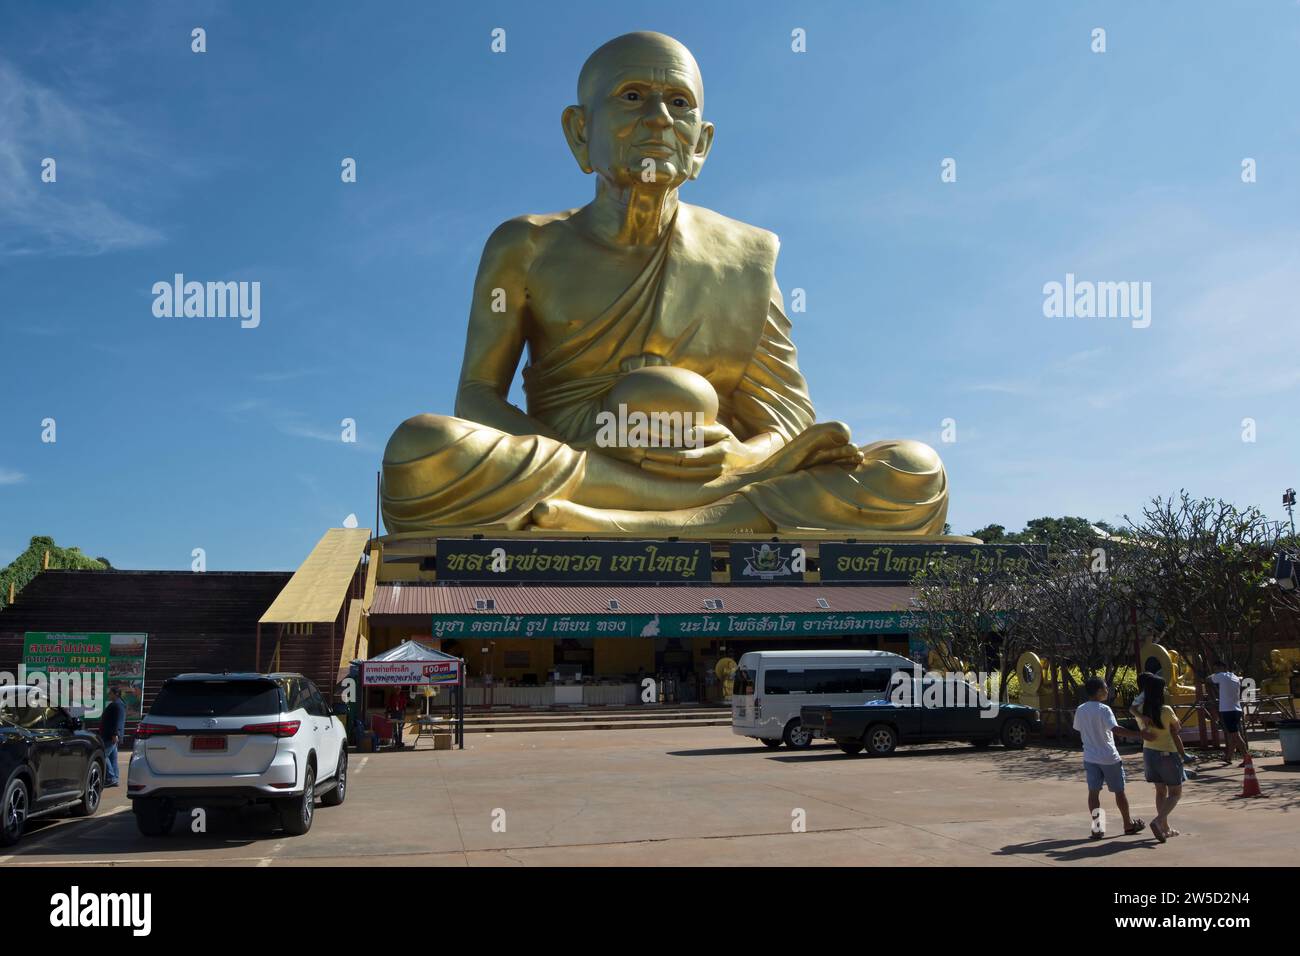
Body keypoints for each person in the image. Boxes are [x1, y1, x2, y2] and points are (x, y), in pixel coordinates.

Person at [1072, 677, 1145, 839]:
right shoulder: (1104, 709)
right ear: (1098, 691)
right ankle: (1128, 824)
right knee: (1119, 792)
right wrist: (1140, 735)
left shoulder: (1081, 709)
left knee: (1093, 793)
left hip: (1090, 757)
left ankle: (1098, 828)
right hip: (1109, 757)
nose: (1107, 691)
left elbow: (1078, 728)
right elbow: (1116, 729)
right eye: (1105, 688)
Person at [1137, 675, 1187, 843]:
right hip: (1166, 753)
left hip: (1149, 753)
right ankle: (1158, 821)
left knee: (1160, 791)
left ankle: (1165, 827)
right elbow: (1177, 728)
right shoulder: (1165, 710)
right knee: (1175, 792)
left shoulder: (1141, 710)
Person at [1208, 660, 1247, 766]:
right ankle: (1228, 757)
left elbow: (1209, 679)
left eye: (1216, 669)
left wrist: (1214, 674)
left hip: (1227, 710)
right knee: (1232, 734)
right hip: (1236, 709)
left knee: (1235, 735)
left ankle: (1247, 757)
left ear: (1222, 668)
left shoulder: (1221, 676)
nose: (1215, 671)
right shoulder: (1234, 677)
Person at [100, 685, 126, 787]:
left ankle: (111, 778)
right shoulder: (117, 704)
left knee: (103, 755)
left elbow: (118, 721)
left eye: (110, 693)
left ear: (116, 694)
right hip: (111, 736)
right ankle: (114, 777)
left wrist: (115, 734)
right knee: (112, 758)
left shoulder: (117, 705)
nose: (109, 695)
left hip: (110, 736)